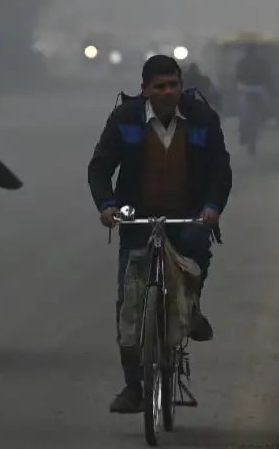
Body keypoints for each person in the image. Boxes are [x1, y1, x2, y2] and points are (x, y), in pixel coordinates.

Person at [88, 54, 233, 414]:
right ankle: (134, 386)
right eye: (160, 86)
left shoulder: (202, 117)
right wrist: (106, 206)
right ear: (145, 90)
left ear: (181, 86)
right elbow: (100, 167)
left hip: (188, 216)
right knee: (130, 303)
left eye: (173, 85)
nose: (168, 92)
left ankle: (192, 309)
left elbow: (220, 168)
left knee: (195, 262)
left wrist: (212, 207)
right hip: (137, 216)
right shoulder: (125, 118)